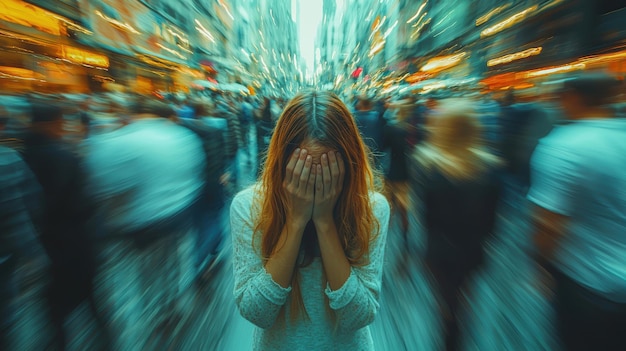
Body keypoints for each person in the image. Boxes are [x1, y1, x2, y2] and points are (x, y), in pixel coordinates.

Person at [230, 91, 390, 350]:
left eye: (328, 172)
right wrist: (295, 222)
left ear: (348, 166)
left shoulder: (370, 208)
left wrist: (325, 222)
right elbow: (257, 312)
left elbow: (359, 315)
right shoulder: (249, 206)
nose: (314, 187)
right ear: (283, 164)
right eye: (302, 172)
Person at [528, 73, 626, 350]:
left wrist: (541, 266)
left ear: (571, 97)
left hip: (587, 283)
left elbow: (549, 222)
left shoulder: (565, 146)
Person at [410, 98, 502, 351]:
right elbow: (492, 224)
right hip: (473, 250)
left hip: (439, 250)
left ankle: (450, 329)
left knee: (446, 300)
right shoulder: (490, 169)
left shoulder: (427, 166)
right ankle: (459, 322)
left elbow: (426, 217)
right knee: (465, 293)